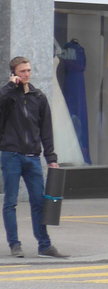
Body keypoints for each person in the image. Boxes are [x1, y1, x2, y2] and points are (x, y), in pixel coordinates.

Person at [1, 57, 66, 258]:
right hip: (11, 155)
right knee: (11, 202)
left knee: (39, 202)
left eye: (28, 70)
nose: (26, 74)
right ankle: (15, 245)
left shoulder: (39, 97)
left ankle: (44, 245)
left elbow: (46, 130)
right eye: (22, 71)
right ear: (14, 73)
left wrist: (51, 157)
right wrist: (9, 87)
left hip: (32, 157)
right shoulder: (8, 96)